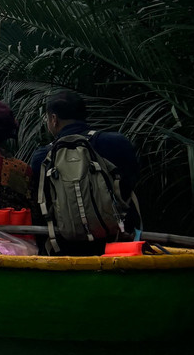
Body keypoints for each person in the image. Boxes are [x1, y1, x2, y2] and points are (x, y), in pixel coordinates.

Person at [29, 90, 139, 254]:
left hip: (65, 248)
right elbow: (130, 185)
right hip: (117, 246)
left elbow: (40, 204)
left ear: (53, 119)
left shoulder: (42, 157)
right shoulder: (117, 143)